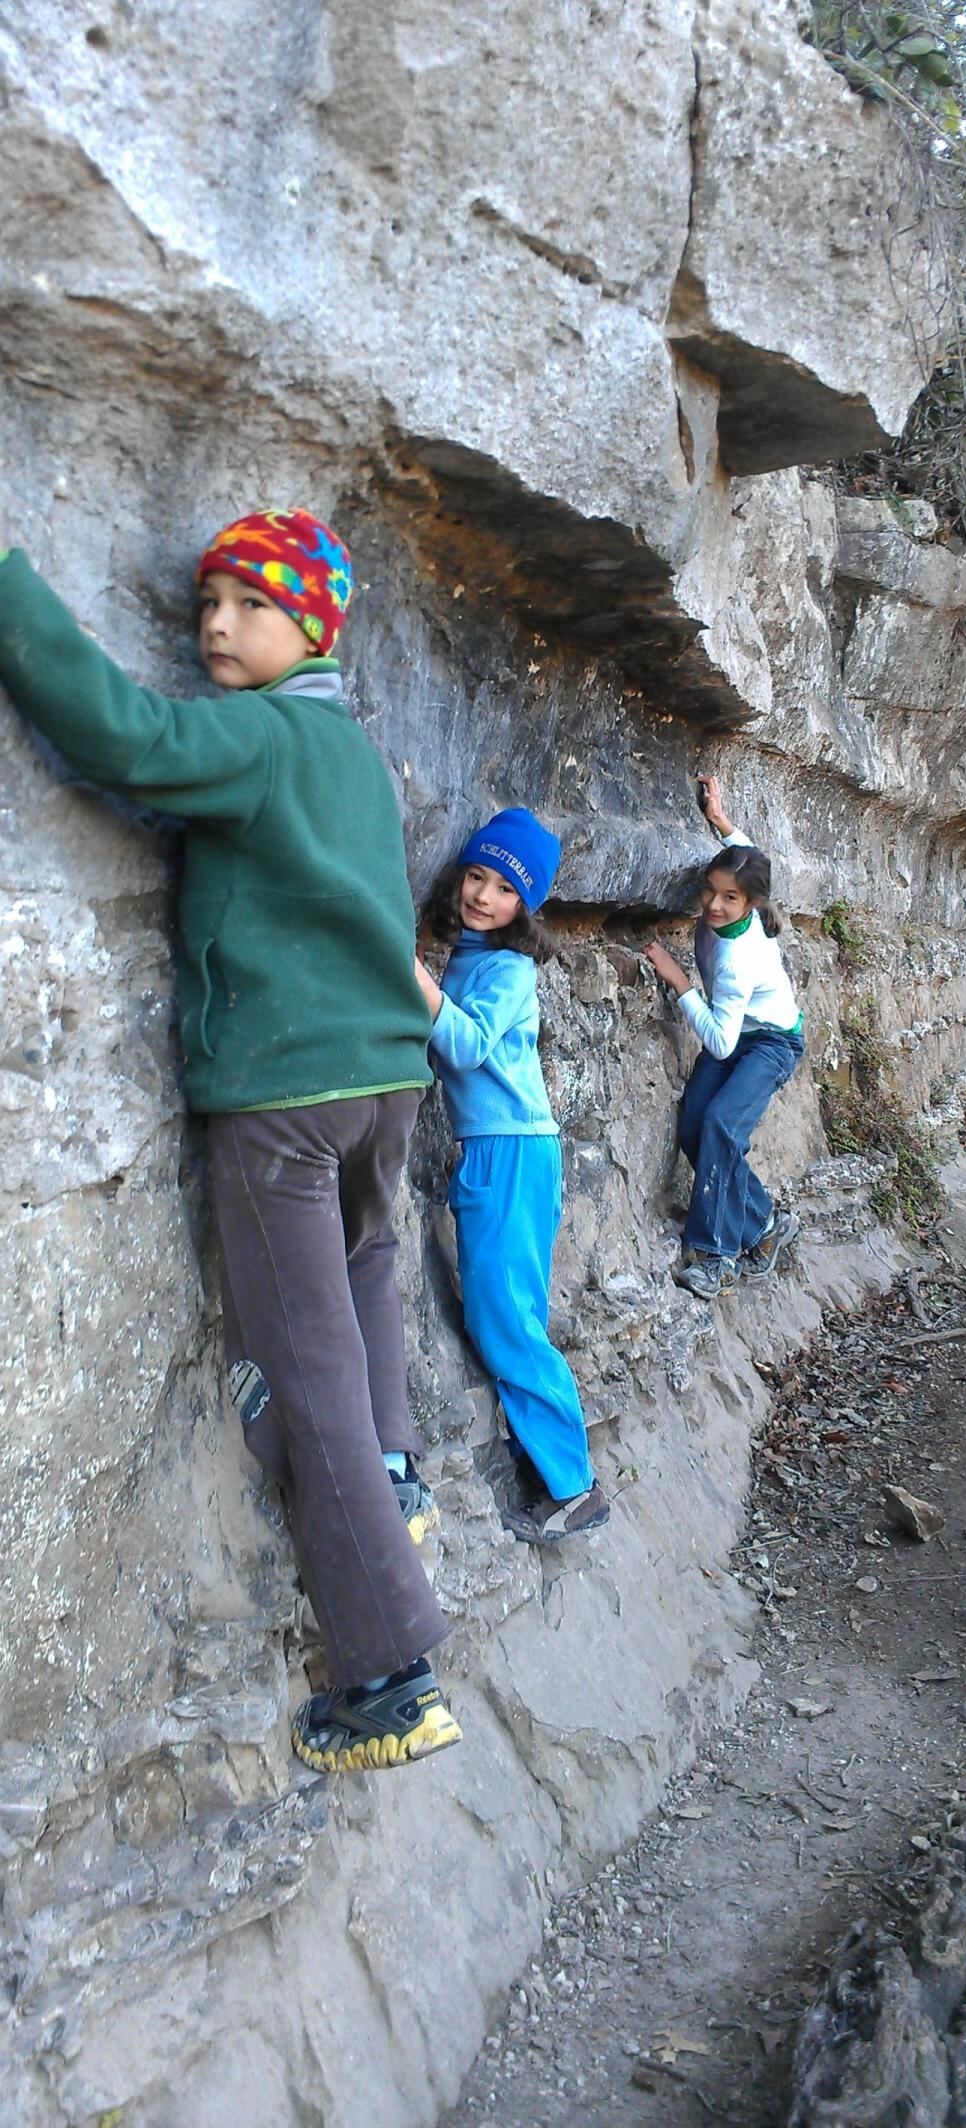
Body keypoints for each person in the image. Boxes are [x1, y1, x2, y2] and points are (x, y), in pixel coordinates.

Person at [0, 511, 462, 1770]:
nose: (215, 623)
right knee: (371, 1285)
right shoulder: (354, 753)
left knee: (301, 1373)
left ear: (312, 625)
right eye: (208, 600)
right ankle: (401, 1483)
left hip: (284, 1105)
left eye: (251, 604)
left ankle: (389, 1673)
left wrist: (11, 589)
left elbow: (123, 737)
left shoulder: (261, 739)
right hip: (383, 1089)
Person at [415, 809, 610, 1541]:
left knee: (506, 1324)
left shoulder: (508, 968)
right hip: (496, 1148)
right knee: (502, 1315)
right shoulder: (470, 957)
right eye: (475, 876)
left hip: (514, 1151)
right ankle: (556, 1466)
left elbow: (461, 1046)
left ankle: (574, 1487)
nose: (482, 895)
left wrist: (409, 972)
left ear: (525, 906)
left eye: (503, 888)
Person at [645, 774, 804, 1300]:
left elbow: (718, 1042)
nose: (713, 905)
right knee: (695, 1126)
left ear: (752, 904)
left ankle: (717, 1256)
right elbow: (744, 850)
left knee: (721, 1125)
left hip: (770, 1042)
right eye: (710, 891)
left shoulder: (740, 961)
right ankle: (765, 1224)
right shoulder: (739, 881)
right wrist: (718, 816)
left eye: (728, 899)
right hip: (738, 1031)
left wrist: (680, 981)